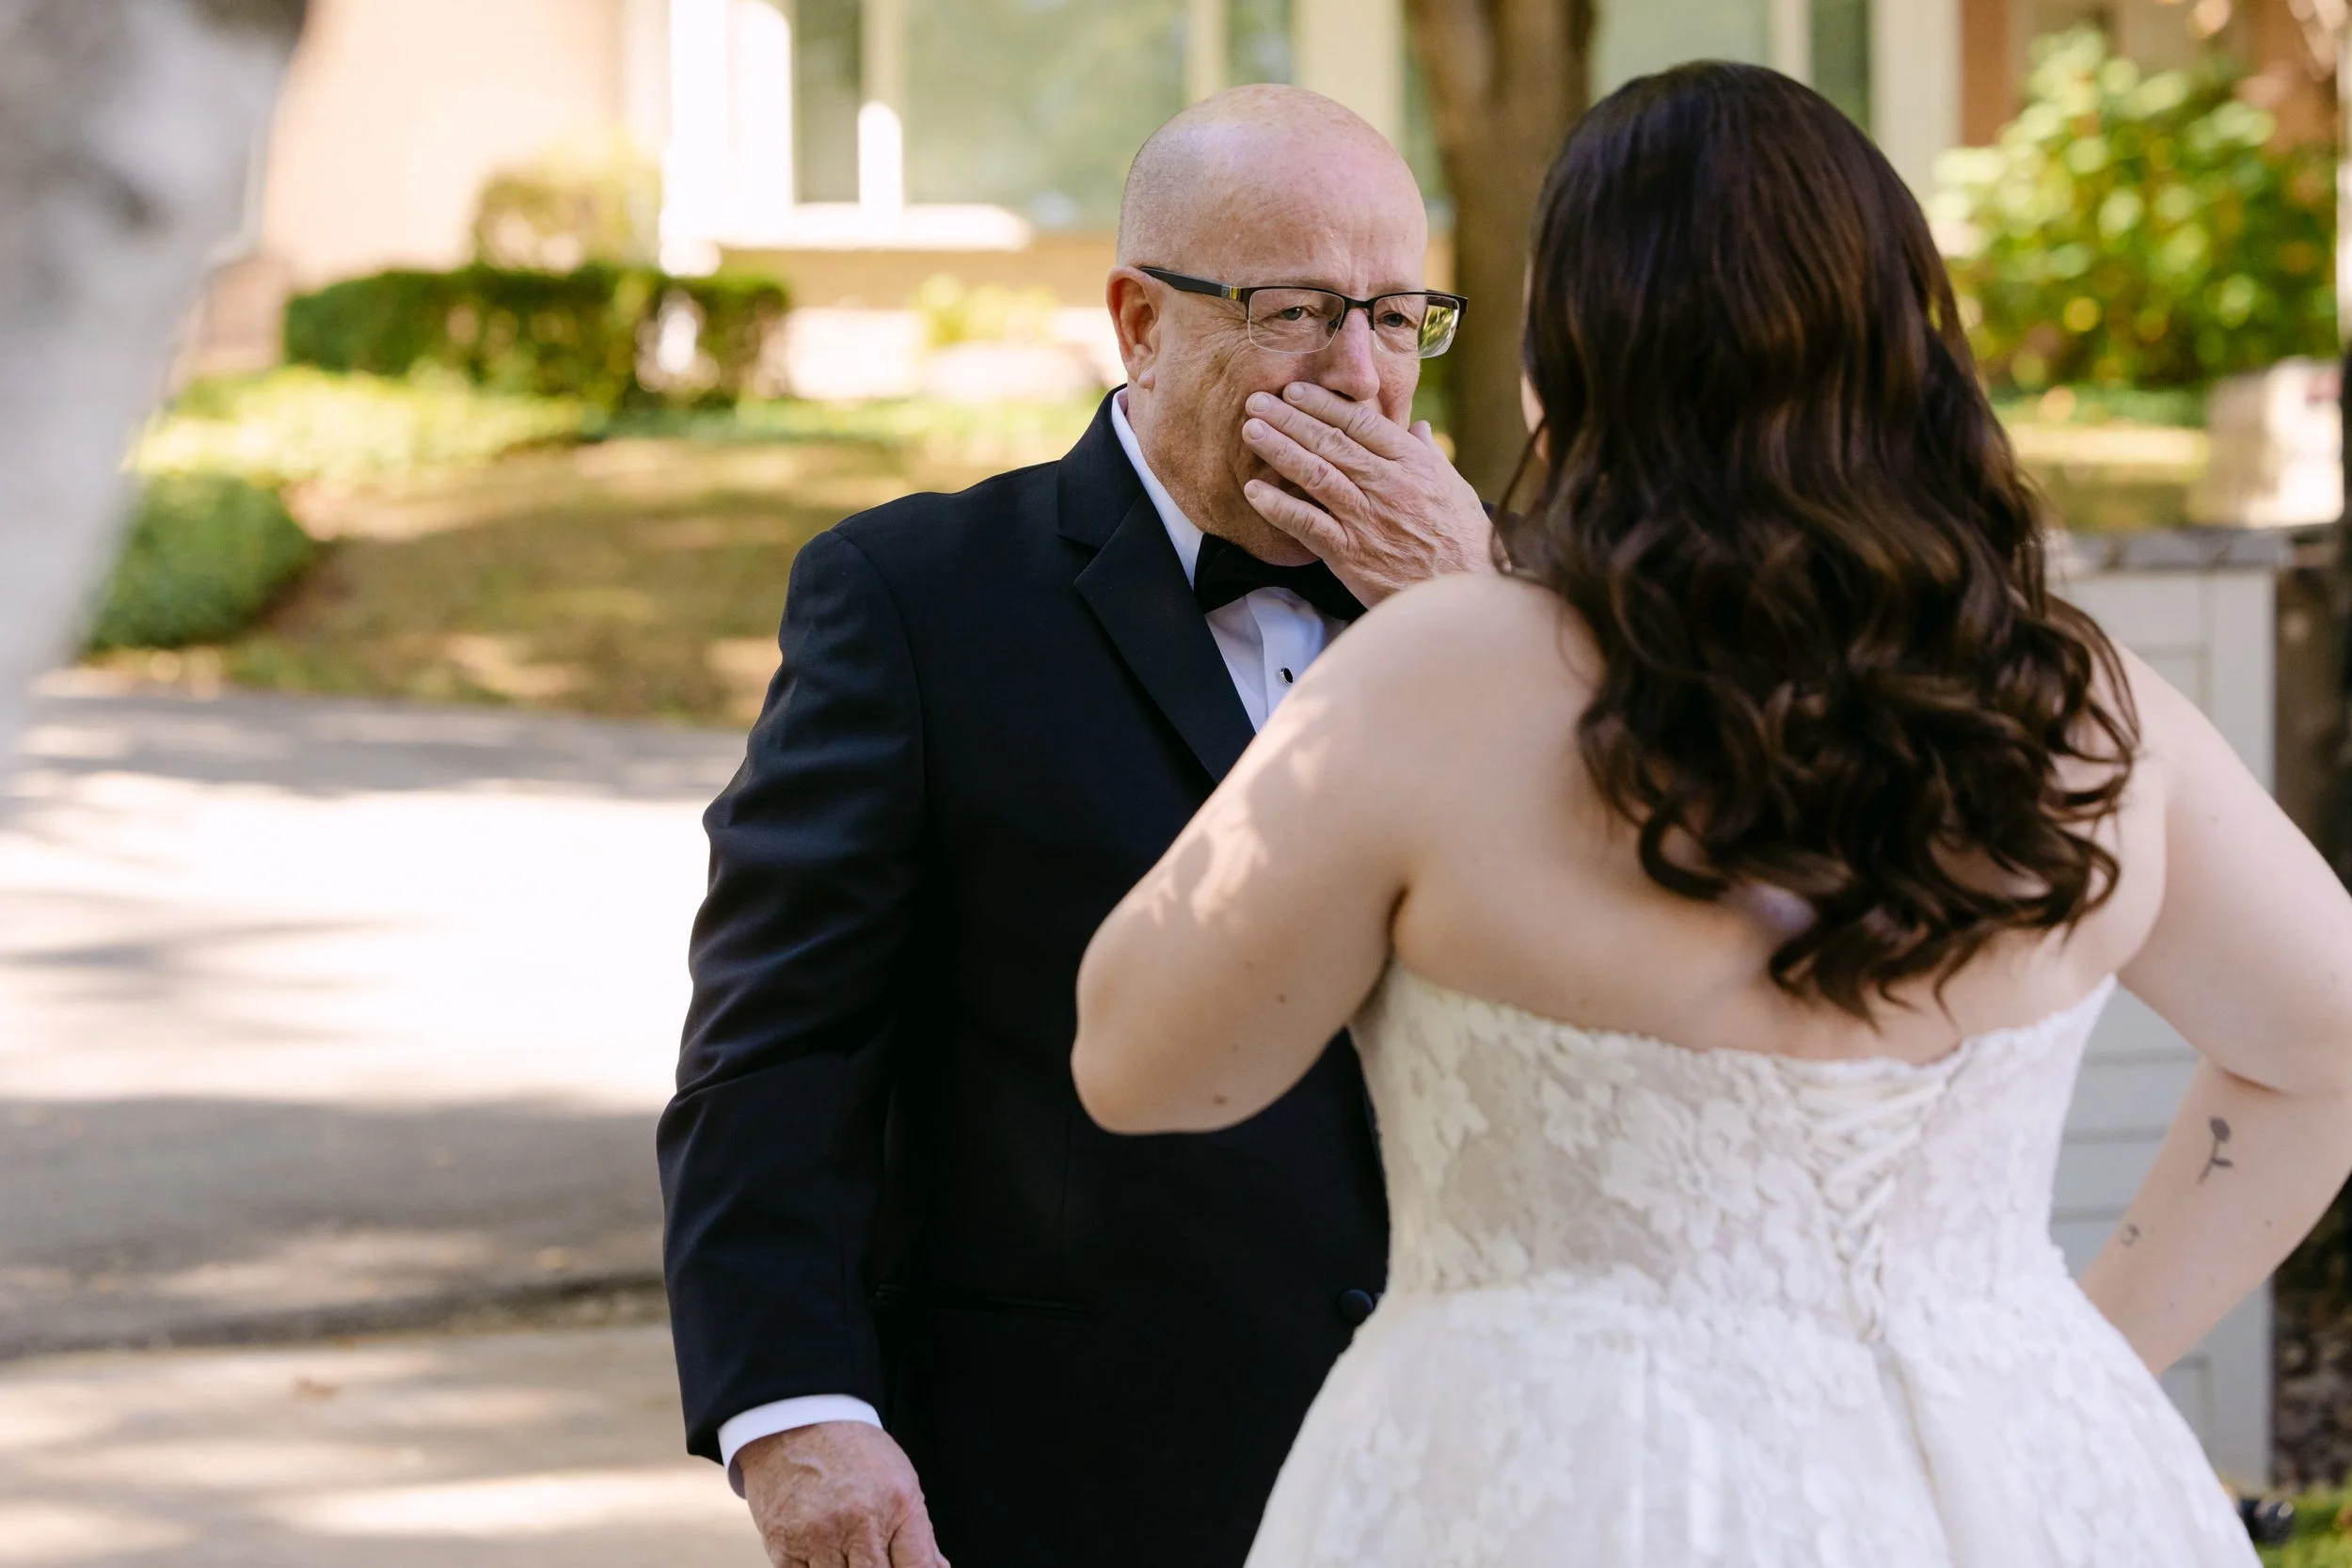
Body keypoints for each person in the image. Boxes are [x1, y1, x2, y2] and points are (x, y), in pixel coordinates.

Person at [1074, 62, 2352, 1566]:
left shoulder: (1441, 665)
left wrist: (1450, 633)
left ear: (1572, 364)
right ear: (1909, 349)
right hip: (2028, 1498)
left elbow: (1140, 1062)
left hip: (1548, 1499)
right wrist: (2065, 1358)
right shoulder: (2086, 704)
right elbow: (2326, 1043)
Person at [658, 85, 1491, 1568]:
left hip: (1468, 1462)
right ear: (1140, 320)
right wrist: (795, 1408)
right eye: (1296, 312)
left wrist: (1473, 618)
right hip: (1070, 1467)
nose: (1362, 376)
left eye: (1397, 315)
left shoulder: (1512, 615)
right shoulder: (916, 599)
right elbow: (778, 1041)